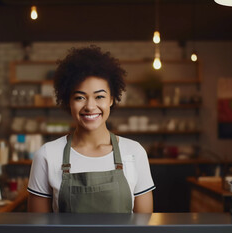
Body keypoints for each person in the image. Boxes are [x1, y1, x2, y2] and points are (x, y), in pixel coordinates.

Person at [27, 46, 155, 213]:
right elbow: (39, 230)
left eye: (99, 96)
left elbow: (144, 227)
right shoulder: (47, 155)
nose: (90, 106)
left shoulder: (134, 152)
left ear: (111, 99)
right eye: (80, 97)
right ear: (68, 101)